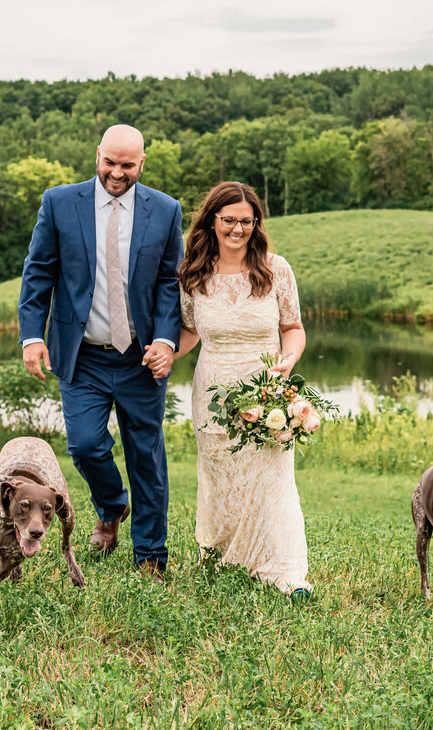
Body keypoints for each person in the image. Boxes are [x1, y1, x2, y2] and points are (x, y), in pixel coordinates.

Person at [18, 124, 182, 584]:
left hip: (140, 358)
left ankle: (150, 556)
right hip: (82, 355)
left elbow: (171, 284)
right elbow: (38, 275)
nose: (117, 172)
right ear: (98, 156)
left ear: (142, 163)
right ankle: (111, 506)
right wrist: (32, 336)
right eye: (110, 162)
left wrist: (167, 341)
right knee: (86, 446)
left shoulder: (166, 210)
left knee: (145, 456)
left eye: (127, 165)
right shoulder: (59, 202)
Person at [173, 181, 312, 596]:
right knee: (221, 476)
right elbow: (189, 331)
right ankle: (222, 557)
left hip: (266, 390)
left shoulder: (275, 268)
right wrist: (161, 355)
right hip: (212, 391)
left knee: (271, 479)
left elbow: (294, 328)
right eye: (229, 220)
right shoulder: (193, 272)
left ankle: (283, 571)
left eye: (246, 221)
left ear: (257, 223)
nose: (237, 229)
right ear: (212, 220)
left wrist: (286, 363)